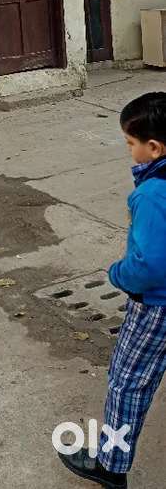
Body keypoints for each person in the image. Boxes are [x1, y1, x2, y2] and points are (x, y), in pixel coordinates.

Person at [57, 92, 166, 488]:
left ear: (153, 148)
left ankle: (110, 466)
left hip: (155, 306)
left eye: (130, 143)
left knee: (126, 382)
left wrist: (118, 274)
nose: (129, 151)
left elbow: (149, 266)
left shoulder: (152, 195)